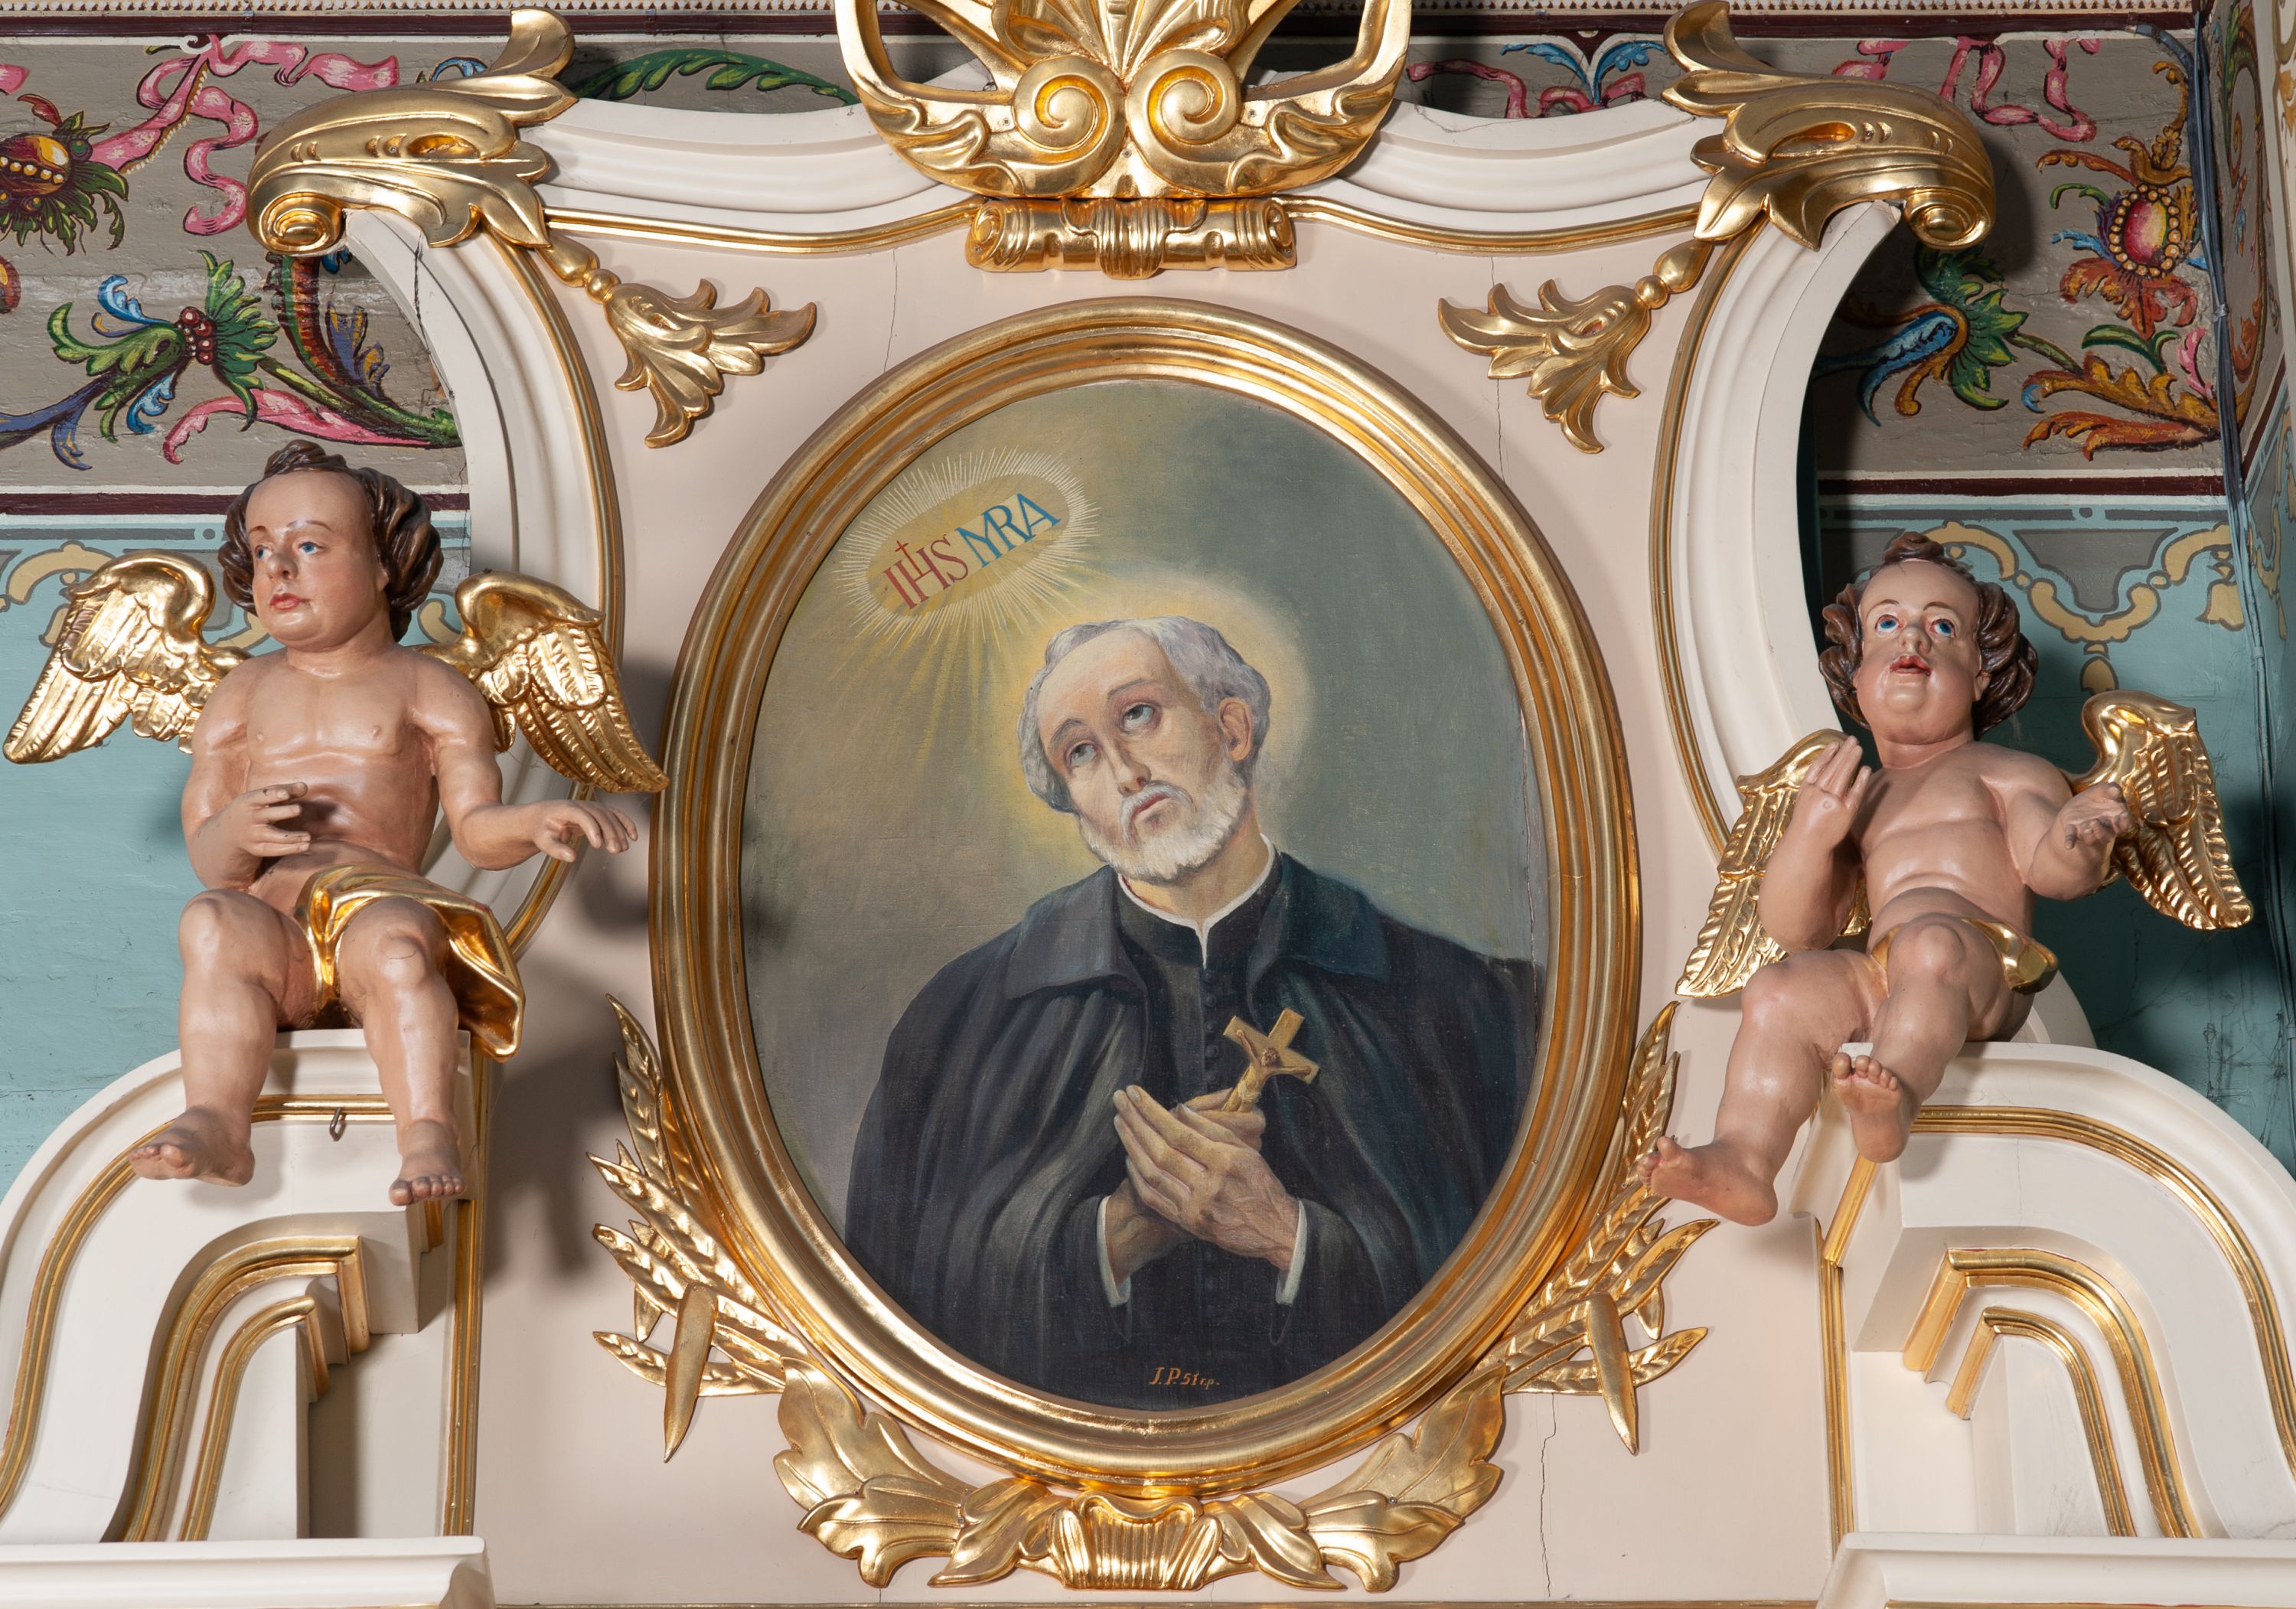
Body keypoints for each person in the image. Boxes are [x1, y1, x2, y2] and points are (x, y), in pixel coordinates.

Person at [845, 617, 1534, 1409]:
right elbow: (898, 1311)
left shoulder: (1452, 999)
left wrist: (1289, 1237)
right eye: (1081, 752)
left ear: (1230, 727)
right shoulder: (961, 1021)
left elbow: (1506, 1279)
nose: (1125, 772)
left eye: (1139, 714)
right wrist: (1112, 1238)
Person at [127, 443, 638, 1204]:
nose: (279, 569)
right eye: (262, 551)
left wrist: (532, 822)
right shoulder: (243, 692)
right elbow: (212, 859)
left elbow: (475, 829)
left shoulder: (429, 685)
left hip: (376, 903)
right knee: (210, 921)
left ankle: (427, 1127)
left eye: (309, 546)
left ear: (383, 567)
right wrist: (234, 830)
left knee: (400, 947)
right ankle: (220, 1120)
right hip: (277, 929)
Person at [1640, 533, 2131, 1225]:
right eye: (1888, 623)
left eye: (1943, 627)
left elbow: (2050, 872)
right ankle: (1745, 1159)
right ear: (1857, 671)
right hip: (1884, 976)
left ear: (1981, 675)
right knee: (1779, 990)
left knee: (1930, 944)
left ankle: (1893, 1096)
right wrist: (1811, 834)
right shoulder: (1858, 794)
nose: (1914, 639)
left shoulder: (2007, 772)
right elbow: (1796, 927)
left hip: (1983, 969)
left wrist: (2078, 836)